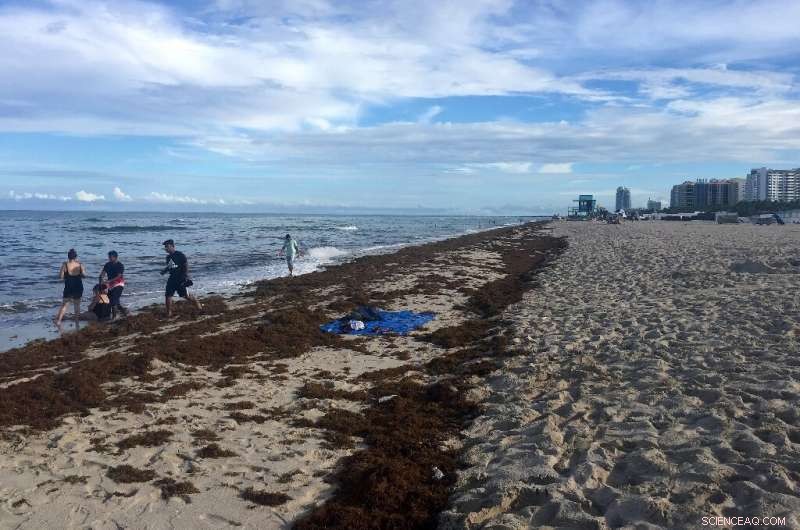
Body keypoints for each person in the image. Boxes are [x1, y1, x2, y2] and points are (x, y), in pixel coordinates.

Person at [160, 239, 202, 318]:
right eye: (165, 247)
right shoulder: (168, 257)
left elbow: (185, 264)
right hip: (172, 279)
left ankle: (198, 305)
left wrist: (185, 276)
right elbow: (170, 266)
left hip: (180, 278)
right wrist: (164, 271)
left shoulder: (179, 254)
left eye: (167, 246)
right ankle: (169, 313)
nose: (166, 248)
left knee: (186, 296)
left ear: (172, 246)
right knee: (168, 295)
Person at [55, 249, 86, 325]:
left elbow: (61, 277)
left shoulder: (65, 264)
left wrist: (66, 276)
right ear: (76, 256)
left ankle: (59, 321)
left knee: (65, 304)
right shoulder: (80, 264)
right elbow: (84, 275)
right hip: (78, 286)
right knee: (77, 304)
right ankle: (77, 321)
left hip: (68, 286)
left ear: (68, 256)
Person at [99, 250, 128, 319]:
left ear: (115, 257)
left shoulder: (120, 265)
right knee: (115, 302)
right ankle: (124, 312)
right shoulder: (107, 264)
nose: (109, 258)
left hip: (119, 284)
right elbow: (102, 274)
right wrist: (101, 281)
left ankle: (114, 317)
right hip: (110, 285)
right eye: (109, 257)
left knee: (113, 300)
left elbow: (119, 276)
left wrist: (108, 281)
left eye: (110, 257)